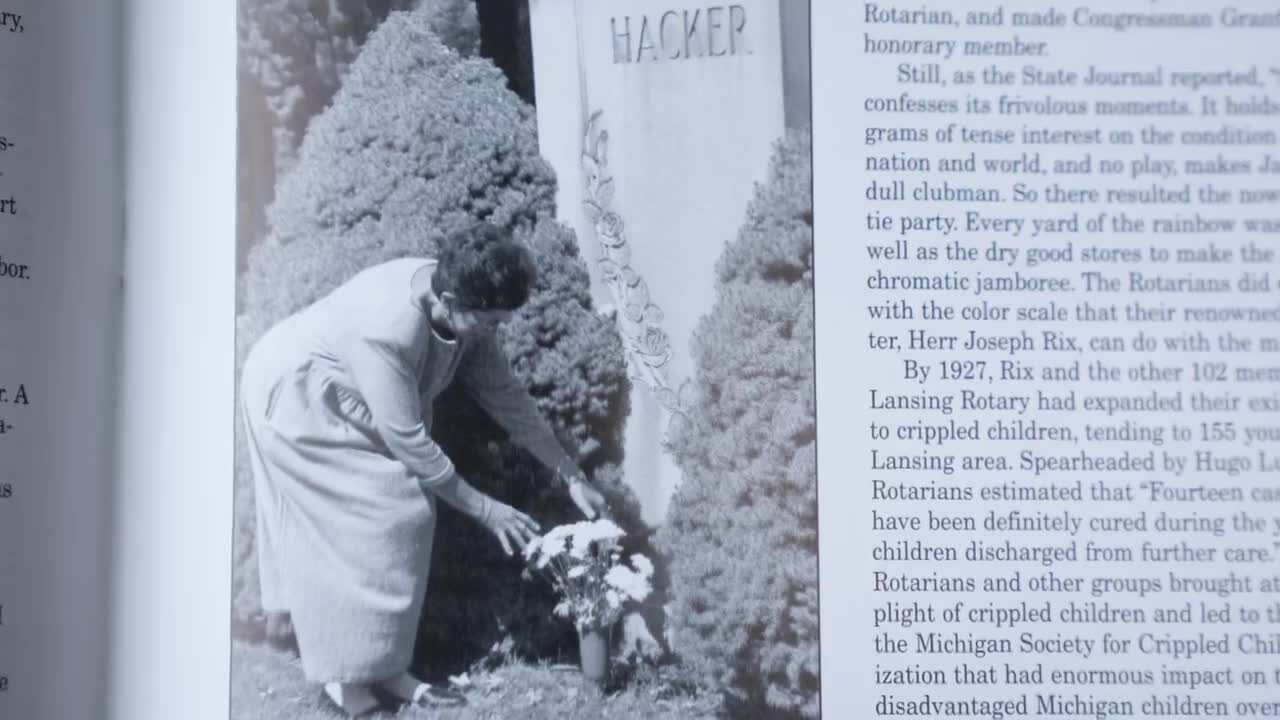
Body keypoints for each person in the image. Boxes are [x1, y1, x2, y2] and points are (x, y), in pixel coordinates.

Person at [239, 224, 610, 717]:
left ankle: (386, 669)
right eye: (492, 322)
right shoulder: (387, 326)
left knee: (408, 514)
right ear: (451, 299)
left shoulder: (462, 308)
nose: (496, 331)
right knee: (359, 522)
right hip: (296, 395)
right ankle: (346, 685)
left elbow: (508, 399)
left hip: (348, 396)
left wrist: (571, 474)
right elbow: (409, 441)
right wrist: (486, 510)